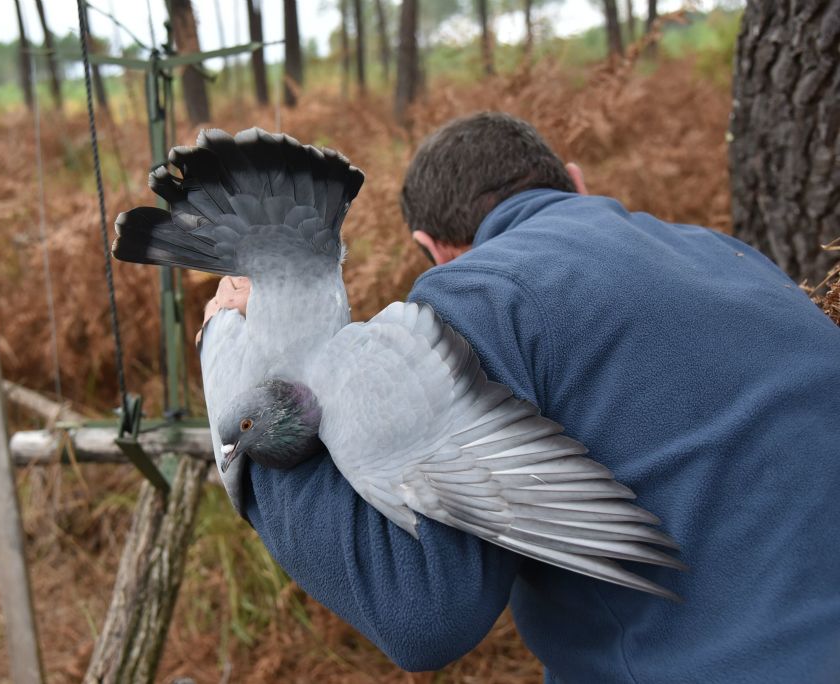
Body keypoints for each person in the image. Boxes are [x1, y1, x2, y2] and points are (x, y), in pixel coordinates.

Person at [198, 113, 840, 682]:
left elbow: (419, 613)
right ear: (576, 181)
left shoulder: (481, 297)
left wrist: (249, 389)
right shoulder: (734, 256)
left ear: (433, 251)